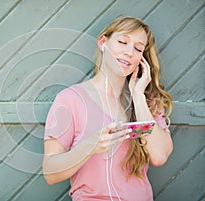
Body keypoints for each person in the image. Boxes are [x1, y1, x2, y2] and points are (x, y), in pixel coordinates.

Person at [42, 16, 173, 201]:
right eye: (122, 42)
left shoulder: (147, 102)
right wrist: (90, 146)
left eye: (137, 48)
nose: (129, 52)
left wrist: (138, 96)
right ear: (103, 42)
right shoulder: (70, 100)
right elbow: (50, 172)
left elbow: (159, 155)